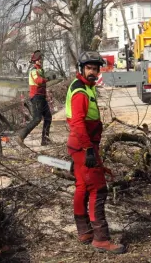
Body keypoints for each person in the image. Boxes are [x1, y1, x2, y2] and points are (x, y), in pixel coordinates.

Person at [66, 50, 126, 254]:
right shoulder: (81, 92)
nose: (93, 72)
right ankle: (101, 238)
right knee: (98, 189)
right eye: (89, 68)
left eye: (96, 69)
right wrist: (89, 149)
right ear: (82, 69)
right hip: (83, 145)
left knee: (83, 186)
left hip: (81, 145)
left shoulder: (86, 87)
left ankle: (84, 231)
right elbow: (77, 122)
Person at [16, 50, 52, 145]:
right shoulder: (33, 70)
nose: (41, 60)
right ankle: (21, 136)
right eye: (39, 59)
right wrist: (48, 79)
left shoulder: (40, 69)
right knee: (37, 119)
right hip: (36, 97)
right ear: (35, 60)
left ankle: (45, 139)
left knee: (48, 117)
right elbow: (38, 81)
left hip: (42, 97)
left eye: (41, 59)